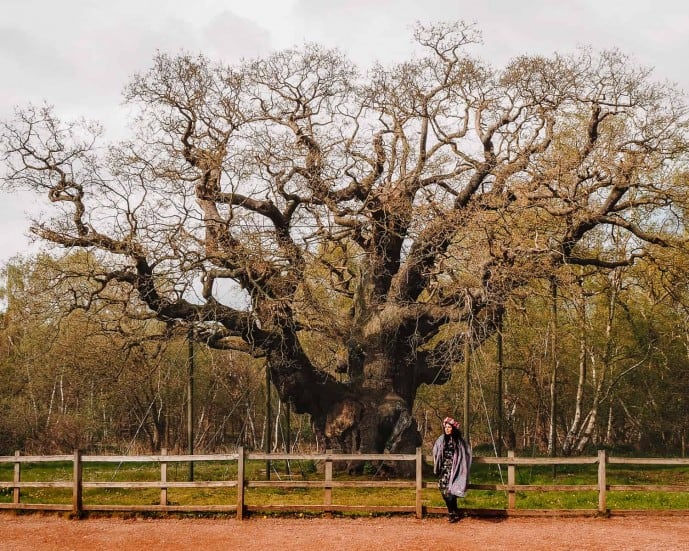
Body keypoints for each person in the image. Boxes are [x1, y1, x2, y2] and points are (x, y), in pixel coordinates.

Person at [432, 416, 472, 523]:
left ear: (453, 428)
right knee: (444, 491)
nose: (447, 429)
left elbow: (466, 453)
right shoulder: (441, 439)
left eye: (449, 427)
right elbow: (436, 451)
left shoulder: (459, 441)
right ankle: (454, 511)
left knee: (452, 491)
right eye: (445, 427)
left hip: (455, 469)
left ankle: (452, 513)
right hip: (444, 469)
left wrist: (463, 466)